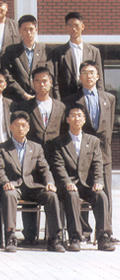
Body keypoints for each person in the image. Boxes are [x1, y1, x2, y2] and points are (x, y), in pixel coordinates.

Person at [0, 110, 65, 252]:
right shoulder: (2, 148)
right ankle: (10, 236)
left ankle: (55, 238)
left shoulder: (36, 147)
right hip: (13, 186)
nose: (20, 128)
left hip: (32, 186)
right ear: (10, 127)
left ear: (28, 128)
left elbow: (45, 169)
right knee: (9, 194)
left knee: (51, 195)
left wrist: (50, 182)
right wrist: (6, 182)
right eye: (17, 125)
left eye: (24, 125)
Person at [51, 104, 115, 251]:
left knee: (101, 196)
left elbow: (98, 164)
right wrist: (67, 182)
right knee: (72, 195)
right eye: (73, 115)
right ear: (67, 119)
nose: (76, 119)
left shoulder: (93, 141)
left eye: (79, 115)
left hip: (87, 185)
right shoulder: (59, 142)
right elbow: (58, 167)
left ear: (84, 119)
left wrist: (98, 181)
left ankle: (103, 237)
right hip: (68, 186)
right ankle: (75, 238)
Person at [63, 60, 116, 236]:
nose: (89, 76)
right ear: (80, 77)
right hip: (81, 154)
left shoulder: (109, 99)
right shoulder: (71, 100)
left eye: (92, 73)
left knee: (104, 193)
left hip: (104, 154)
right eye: (85, 73)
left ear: (98, 76)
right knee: (82, 188)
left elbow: (108, 127)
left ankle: (106, 232)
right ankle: (84, 231)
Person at [51, 12, 104, 100]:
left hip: (89, 97)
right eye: (70, 26)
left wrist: (100, 99)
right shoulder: (58, 52)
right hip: (67, 98)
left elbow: (100, 80)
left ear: (82, 26)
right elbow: (55, 81)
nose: (73, 29)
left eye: (76, 25)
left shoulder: (94, 51)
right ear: (66, 27)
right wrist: (58, 102)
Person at [16, 67, 65, 158]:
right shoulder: (25, 107)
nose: (42, 84)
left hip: (55, 155)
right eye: (37, 81)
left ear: (50, 82)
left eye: (44, 81)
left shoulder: (60, 107)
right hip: (32, 155)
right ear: (33, 83)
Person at [1, 15, 51, 102]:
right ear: (20, 31)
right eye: (25, 29)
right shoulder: (11, 50)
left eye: (31, 29)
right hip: (18, 99)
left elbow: (50, 75)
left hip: (40, 98)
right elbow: (7, 75)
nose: (28, 32)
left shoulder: (45, 50)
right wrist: (23, 94)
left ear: (36, 30)